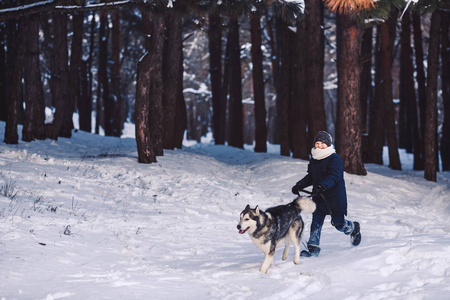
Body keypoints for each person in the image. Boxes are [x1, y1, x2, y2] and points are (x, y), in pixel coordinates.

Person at [291, 131, 361, 257]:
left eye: (322, 144)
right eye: (317, 143)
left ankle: (352, 228)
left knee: (339, 224)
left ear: (328, 145)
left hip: (335, 198)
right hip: (319, 197)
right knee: (316, 222)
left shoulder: (335, 159)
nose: (319, 146)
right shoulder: (314, 159)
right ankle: (313, 248)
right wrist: (299, 185)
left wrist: (323, 185)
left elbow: (334, 176)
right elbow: (311, 176)